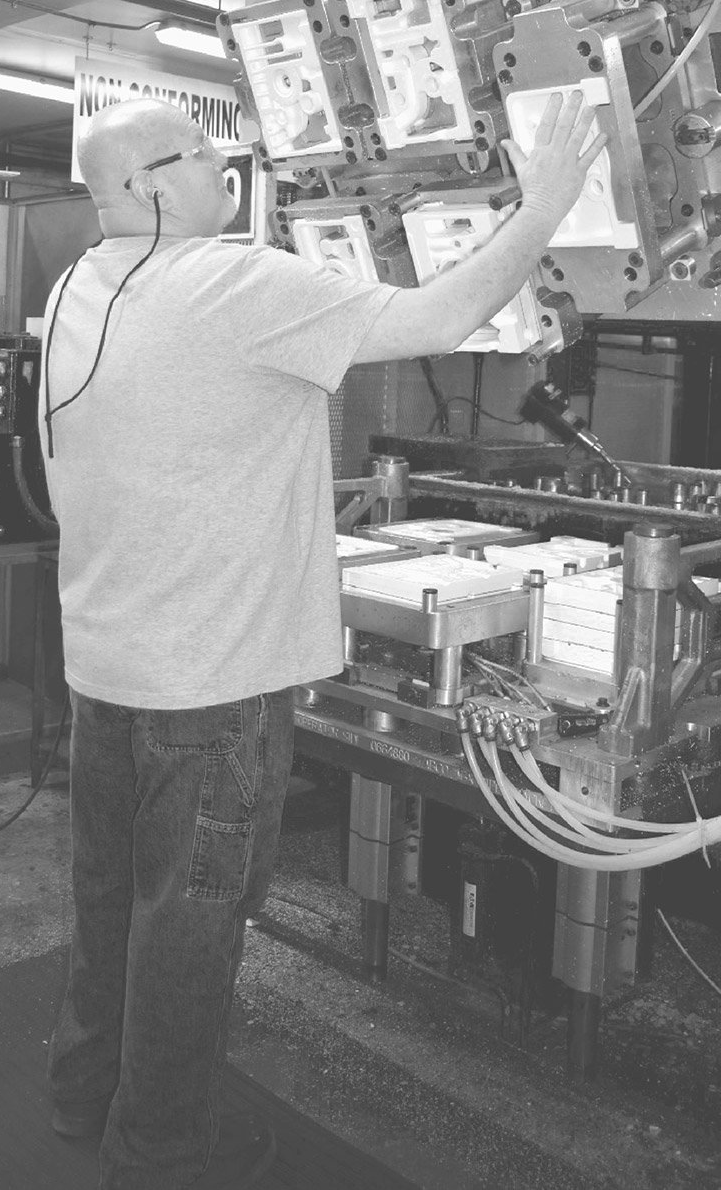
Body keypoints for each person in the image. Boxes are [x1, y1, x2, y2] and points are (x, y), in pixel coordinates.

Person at [39, 90, 605, 1190]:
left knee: (110, 905)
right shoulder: (234, 281)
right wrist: (541, 206)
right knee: (189, 926)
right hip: (212, 690)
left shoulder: (76, 285)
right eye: (208, 156)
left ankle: (82, 1096)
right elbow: (437, 322)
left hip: (104, 674)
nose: (229, 172)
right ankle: (159, 1153)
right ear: (153, 184)